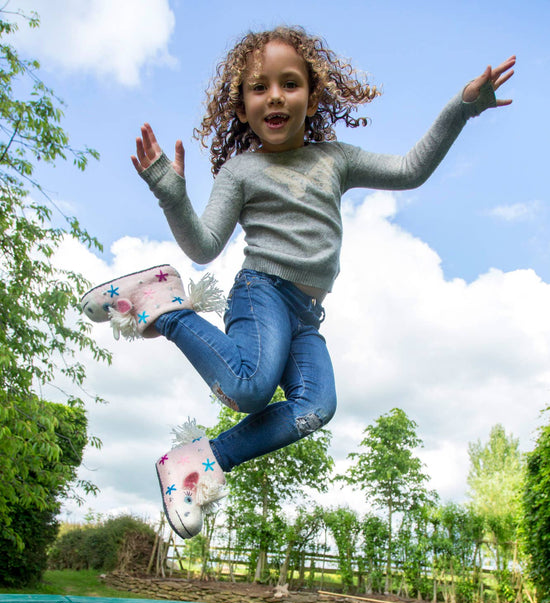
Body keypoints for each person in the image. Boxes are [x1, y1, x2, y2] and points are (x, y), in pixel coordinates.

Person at [81, 26, 515, 540]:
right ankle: (166, 306)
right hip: (260, 291)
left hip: (306, 317)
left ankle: (197, 463)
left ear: (312, 95)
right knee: (248, 388)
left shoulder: (336, 159)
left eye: (290, 83)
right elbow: (203, 248)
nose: (276, 96)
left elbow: (410, 169)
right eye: (259, 87)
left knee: (316, 407)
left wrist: (462, 108)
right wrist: (172, 194)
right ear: (242, 107)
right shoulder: (242, 171)